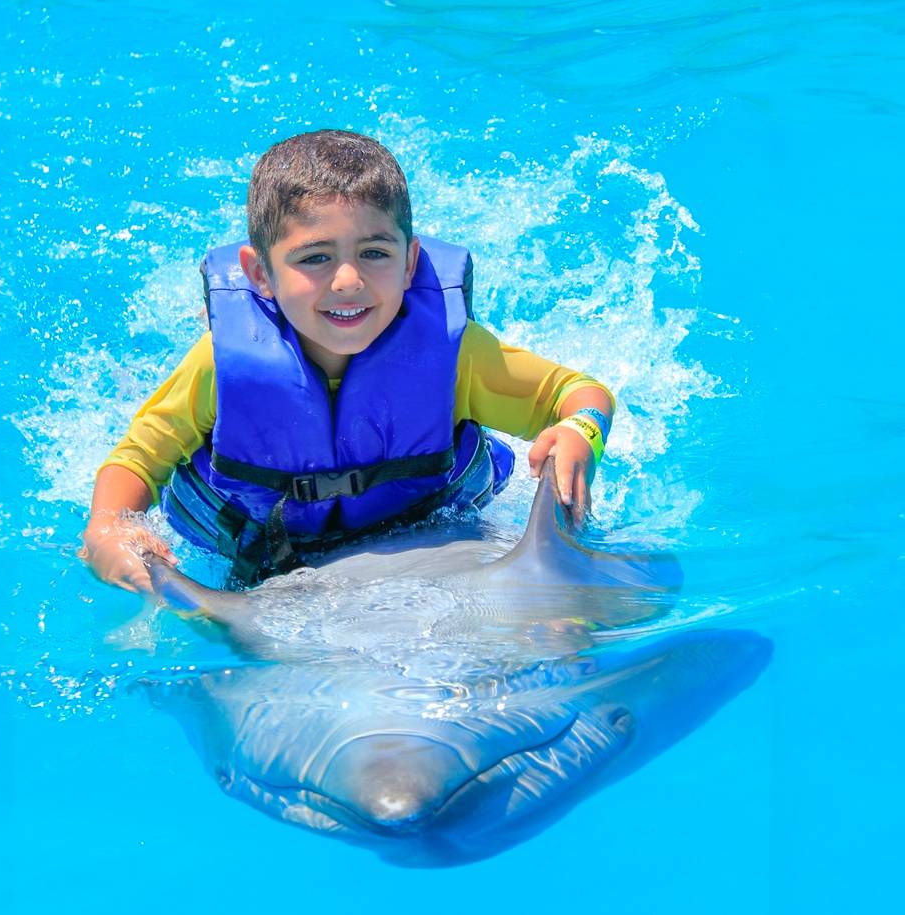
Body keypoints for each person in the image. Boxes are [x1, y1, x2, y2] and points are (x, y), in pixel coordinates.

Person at [81, 129, 615, 594]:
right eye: (315, 258)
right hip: (262, 554)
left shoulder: (457, 357)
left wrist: (580, 432)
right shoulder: (219, 368)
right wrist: (106, 530)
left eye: (375, 253)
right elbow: (135, 461)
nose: (348, 281)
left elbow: (577, 394)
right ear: (259, 274)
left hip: (422, 526)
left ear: (410, 263)